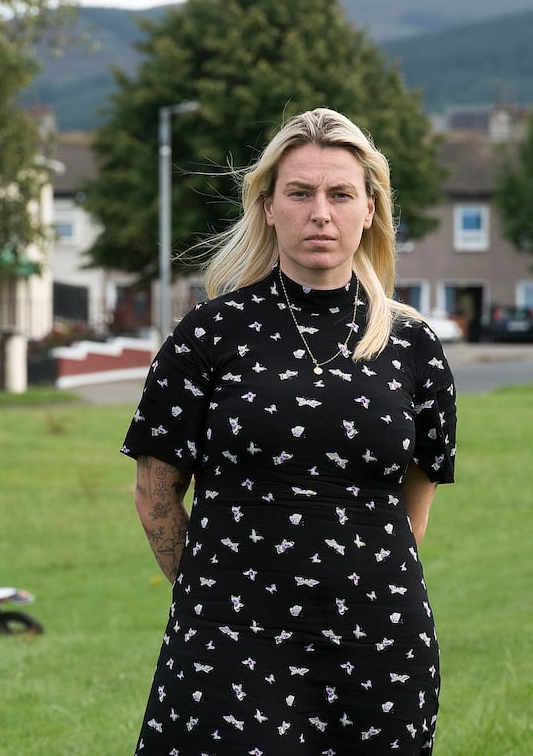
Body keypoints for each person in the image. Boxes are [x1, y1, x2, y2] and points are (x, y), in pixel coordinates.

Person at [122, 108, 457, 754]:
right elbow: (154, 493)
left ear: (370, 210)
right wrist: (216, 598)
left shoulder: (413, 346)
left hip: (379, 649)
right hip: (229, 646)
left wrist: (355, 590)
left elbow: (411, 509)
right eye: (300, 193)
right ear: (269, 207)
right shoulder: (208, 335)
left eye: (340, 194)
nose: (320, 213)